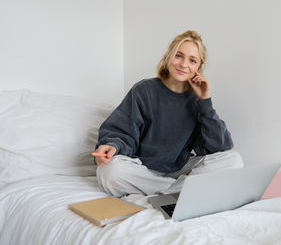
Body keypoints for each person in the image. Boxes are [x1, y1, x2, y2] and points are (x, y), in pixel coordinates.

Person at [93, 30, 243, 197]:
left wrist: (205, 102)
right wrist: (113, 146)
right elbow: (121, 130)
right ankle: (180, 191)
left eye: (192, 60)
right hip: (142, 169)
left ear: (198, 68)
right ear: (168, 57)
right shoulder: (144, 90)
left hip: (179, 168)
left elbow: (219, 147)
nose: (184, 64)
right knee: (109, 172)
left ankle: (170, 191)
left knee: (234, 160)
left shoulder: (196, 100)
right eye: (179, 56)